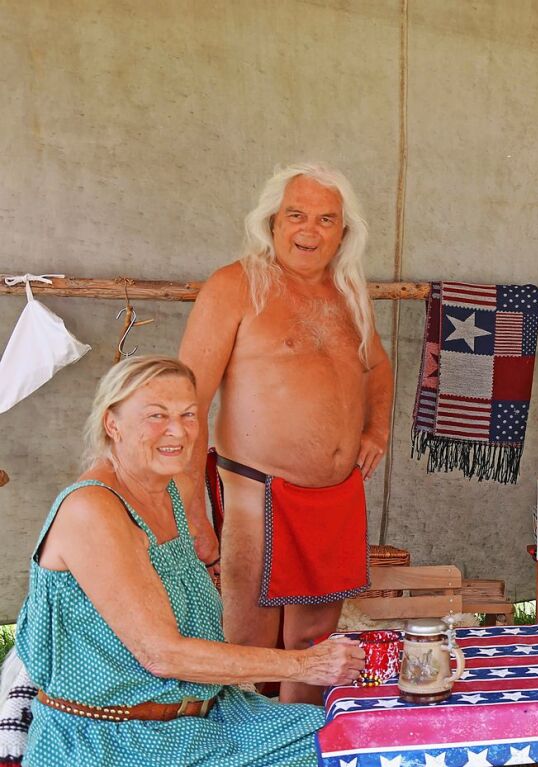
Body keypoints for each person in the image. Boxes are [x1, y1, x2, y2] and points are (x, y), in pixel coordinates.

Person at [14, 355, 365, 767]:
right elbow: (162, 654)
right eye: (156, 415)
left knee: (362, 737)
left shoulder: (165, 493)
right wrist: (306, 664)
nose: (177, 431)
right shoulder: (92, 508)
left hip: (207, 720)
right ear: (113, 423)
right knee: (349, 752)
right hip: (118, 741)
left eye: (188, 415)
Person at [179, 162, 393, 704]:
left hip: (335, 497)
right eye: (297, 215)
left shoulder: (348, 291)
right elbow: (186, 404)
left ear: (343, 232)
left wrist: (376, 432)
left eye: (326, 219)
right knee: (247, 643)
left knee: (314, 643)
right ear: (272, 221)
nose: (309, 230)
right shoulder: (235, 285)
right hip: (255, 492)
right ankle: (240, 754)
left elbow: (379, 368)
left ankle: (297, 748)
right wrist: (193, 513)